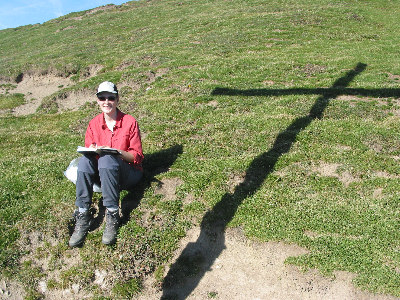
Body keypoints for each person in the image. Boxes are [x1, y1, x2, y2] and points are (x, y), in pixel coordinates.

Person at [69, 81, 144, 247]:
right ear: (97, 100)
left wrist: (116, 152)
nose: (106, 102)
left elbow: (136, 157)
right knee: (85, 161)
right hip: (105, 172)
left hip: (128, 173)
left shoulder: (129, 121)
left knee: (108, 158)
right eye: (102, 98)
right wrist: (93, 151)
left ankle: (112, 213)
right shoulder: (93, 124)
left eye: (110, 97)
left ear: (117, 99)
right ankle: (83, 214)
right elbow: (90, 153)